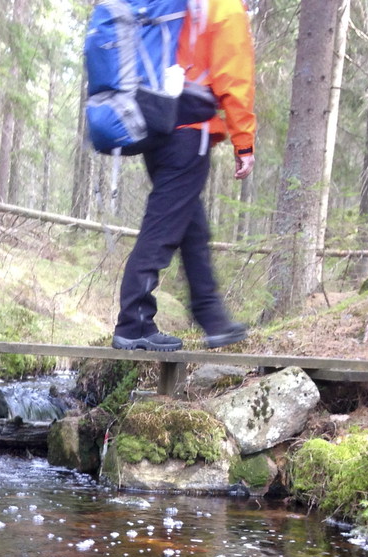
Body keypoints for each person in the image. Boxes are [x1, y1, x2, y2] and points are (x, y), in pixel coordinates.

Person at [111, 0, 256, 352]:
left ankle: (212, 317)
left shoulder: (180, 5)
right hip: (189, 132)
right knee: (162, 228)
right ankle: (134, 323)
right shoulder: (223, 9)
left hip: (157, 124)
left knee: (192, 228)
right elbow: (233, 80)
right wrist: (244, 141)